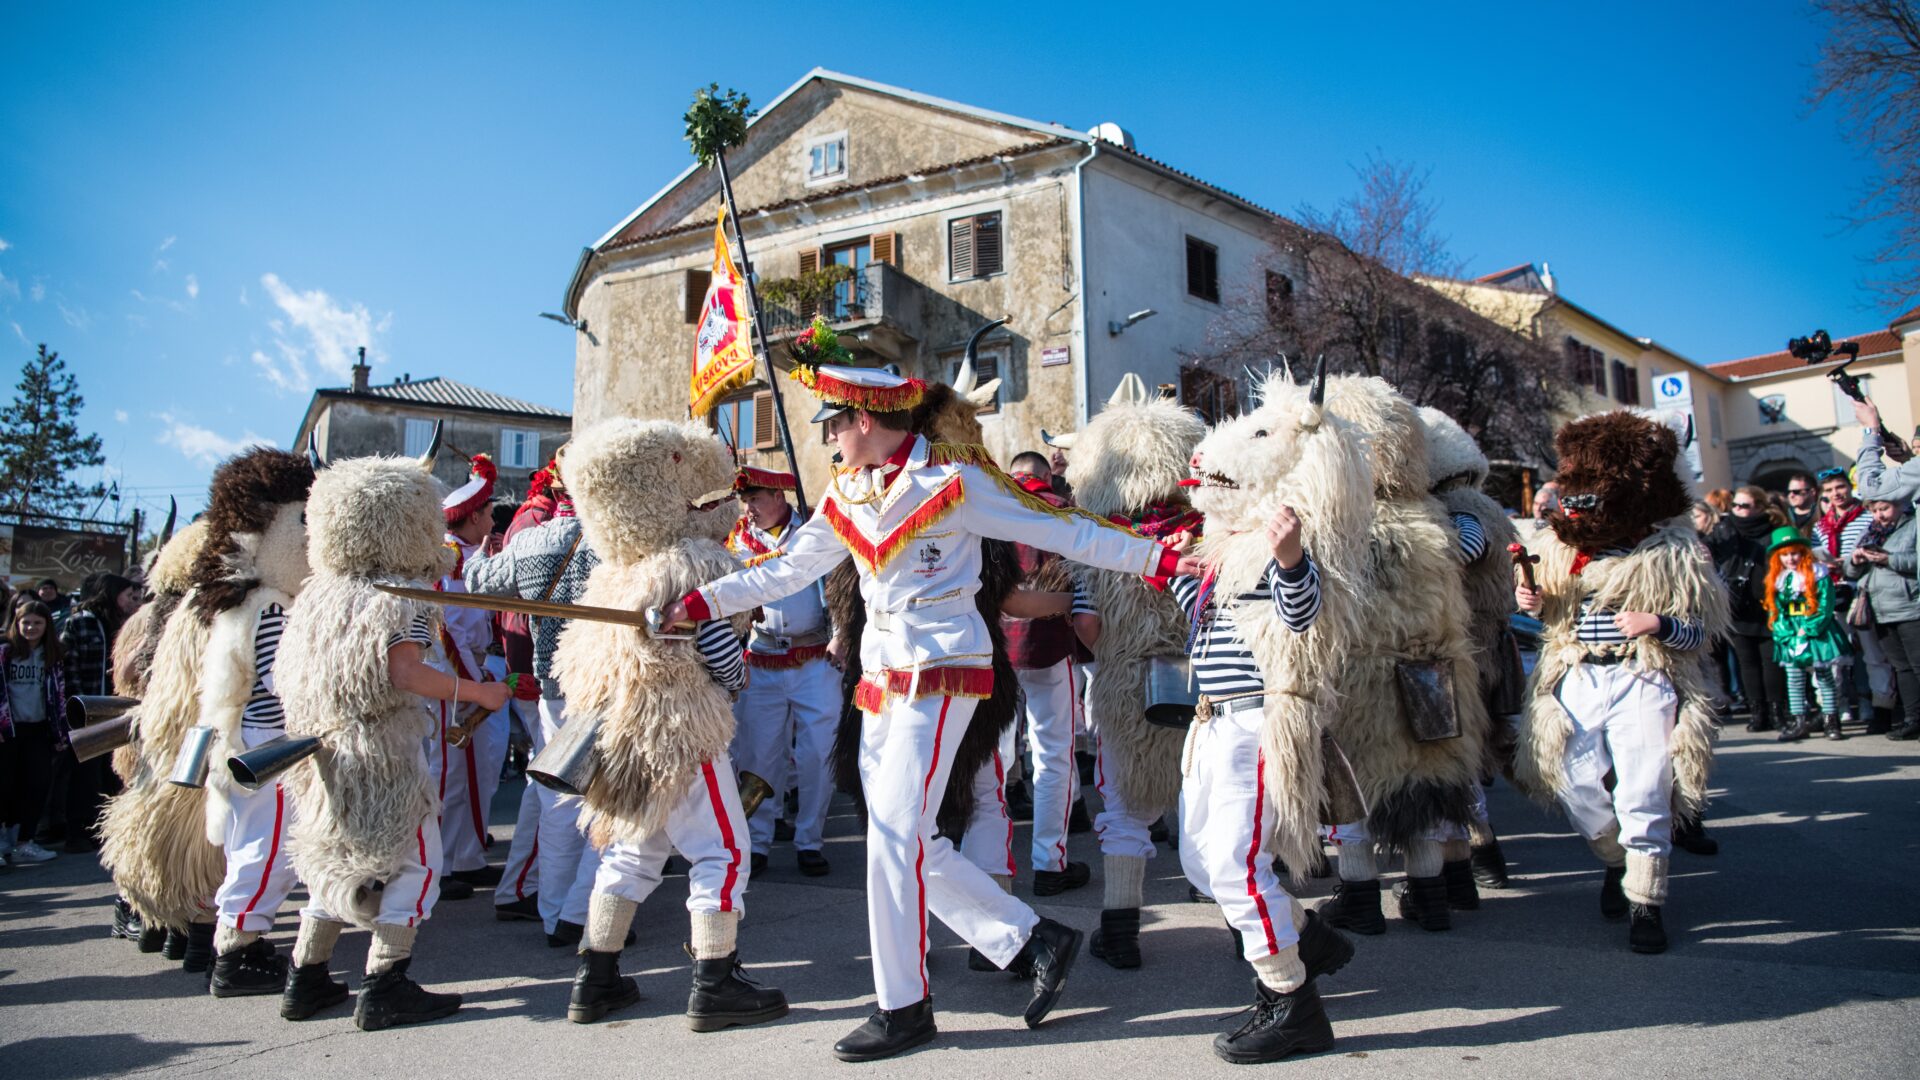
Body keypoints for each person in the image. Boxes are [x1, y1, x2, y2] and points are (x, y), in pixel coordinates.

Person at [663, 359, 1201, 1061]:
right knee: (910, 837)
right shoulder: (846, 493)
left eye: (833, 422)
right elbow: (785, 569)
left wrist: (1157, 560)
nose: (826, 436)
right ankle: (1028, 939)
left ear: (864, 420)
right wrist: (700, 602)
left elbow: (1061, 526)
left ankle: (905, 1007)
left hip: (946, 671)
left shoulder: (955, 480)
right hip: (880, 681)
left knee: (895, 835)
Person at [276, 446, 509, 1030]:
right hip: (381, 751)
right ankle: (386, 981)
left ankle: (306, 978)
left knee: (340, 860)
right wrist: (479, 694)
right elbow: (404, 672)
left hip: (324, 751)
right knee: (417, 862)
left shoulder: (317, 597)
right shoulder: (397, 597)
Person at [1514, 411, 1725, 955]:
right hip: (1579, 672)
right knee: (1574, 779)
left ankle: (1646, 903)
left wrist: (1656, 624)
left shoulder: (1673, 552)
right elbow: (1551, 619)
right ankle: (1617, 858)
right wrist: (1534, 603)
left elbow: (1700, 631)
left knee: (1644, 785)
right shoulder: (1562, 550)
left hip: (1643, 672)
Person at [466, 451, 606, 943]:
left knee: (556, 802)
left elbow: (478, 583)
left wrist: (487, 553)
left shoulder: (529, 542)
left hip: (550, 687)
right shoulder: (612, 544)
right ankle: (581, 912)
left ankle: (553, 914)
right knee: (608, 804)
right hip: (601, 685)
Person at [724, 466, 838, 878]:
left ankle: (810, 839)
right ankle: (756, 841)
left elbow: (842, 585)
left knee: (819, 754)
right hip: (763, 657)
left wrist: (840, 634)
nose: (749, 508)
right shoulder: (737, 539)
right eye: (746, 501)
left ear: (778, 496)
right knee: (758, 756)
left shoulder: (814, 530)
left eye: (755, 499)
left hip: (815, 658)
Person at [1001, 449, 1091, 895]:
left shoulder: (993, 508)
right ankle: (1048, 864)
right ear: (1044, 477)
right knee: (1053, 754)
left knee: (995, 755)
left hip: (997, 646)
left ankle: (992, 859)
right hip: (1049, 645)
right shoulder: (1061, 512)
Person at [432, 454, 504, 892]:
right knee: (449, 776)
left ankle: (466, 856)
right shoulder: (447, 560)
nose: (494, 522)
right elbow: (448, 632)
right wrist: (474, 687)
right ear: (473, 516)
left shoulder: (471, 555)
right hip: (454, 681)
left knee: (478, 772)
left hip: (473, 675)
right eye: (489, 514)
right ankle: (441, 867)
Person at [56, 573, 141, 852]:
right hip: (87, 711)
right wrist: (78, 711)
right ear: (111, 593)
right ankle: (77, 832)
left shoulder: (121, 624)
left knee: (109, 773)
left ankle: (101, 828)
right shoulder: (80, 622)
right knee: (84, 774)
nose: (133, 600)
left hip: (116, 710)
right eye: (128, 595)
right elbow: (69, 666)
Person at [1708, 487, 1789, 734]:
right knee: (1747, 664)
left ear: (1759, 508)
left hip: (1768, 606)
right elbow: (1707, 548)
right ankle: (1758, 713)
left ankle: (1777, 712)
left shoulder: (1773, 531)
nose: (1739, 511)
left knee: (1771, 662)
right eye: (1736, 505)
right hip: (1738, 605)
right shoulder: (1725, 530)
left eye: (1745, 506)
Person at [1766, 528, 1853, 741]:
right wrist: (1785, 634)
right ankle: (1799, 722)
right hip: (1792, 632)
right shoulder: (1780, 579)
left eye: (1794, 553)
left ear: (1803, 552)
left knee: (1825, 676)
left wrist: (1808, 630)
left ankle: (1831, 721)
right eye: (1785, 554)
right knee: (1794, 678)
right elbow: (1776, 610)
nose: (1790, 559)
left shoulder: (1819, 574)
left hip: (1817, 631)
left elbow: (1825, 605)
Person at [0, 600, 69, 866]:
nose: (31, 627)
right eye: (26, 622)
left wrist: (60, 732)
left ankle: (23, 841)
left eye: (37, 623)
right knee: (5, 786)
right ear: (16, 624)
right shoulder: (5, 652)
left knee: (37, 785)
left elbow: (59, 694)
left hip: (40, 728)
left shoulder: (52, 653)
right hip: (9, 730)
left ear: (46, 626)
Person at [1846, 498, 1920, 740]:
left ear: (1900, 506)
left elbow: (1916, 560)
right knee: (1901, 668)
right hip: (1880, 609)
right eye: (1875, 510)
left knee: (1918, 665)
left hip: (1909, 606)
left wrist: (1889, 559)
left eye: (1884, 509)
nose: (1879, 515)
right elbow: (1849, 567)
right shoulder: (1871, 531)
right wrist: (1855, 560)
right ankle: (1913, 719)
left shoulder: (1913, 525)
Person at [1783, 471, 1820, 537]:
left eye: (1796, 492)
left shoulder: (1821, 513)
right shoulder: (1784, 516)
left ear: (1812, 492)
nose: (1791, 495)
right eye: (1789, 492)